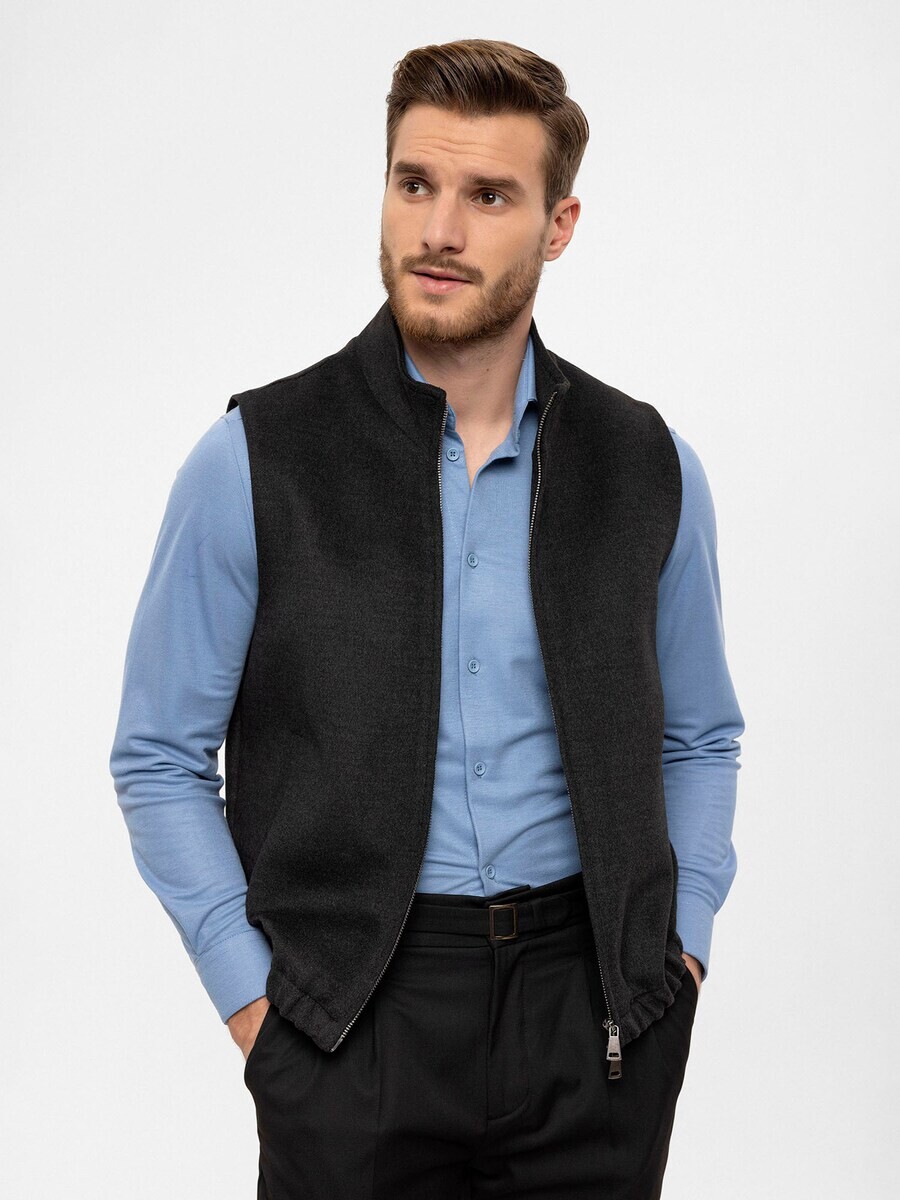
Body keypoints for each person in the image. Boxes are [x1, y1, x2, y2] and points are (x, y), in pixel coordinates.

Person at [110, 37, 744, 1199]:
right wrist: (262, 1018)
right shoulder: (256, 459)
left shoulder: (646, 464)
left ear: (558, 226)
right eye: (415, 183)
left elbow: (701, 736)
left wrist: (679, 963)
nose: (439, 230)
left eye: (489, 195)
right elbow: (157, 756)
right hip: (354, 1014)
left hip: (595, 1014)